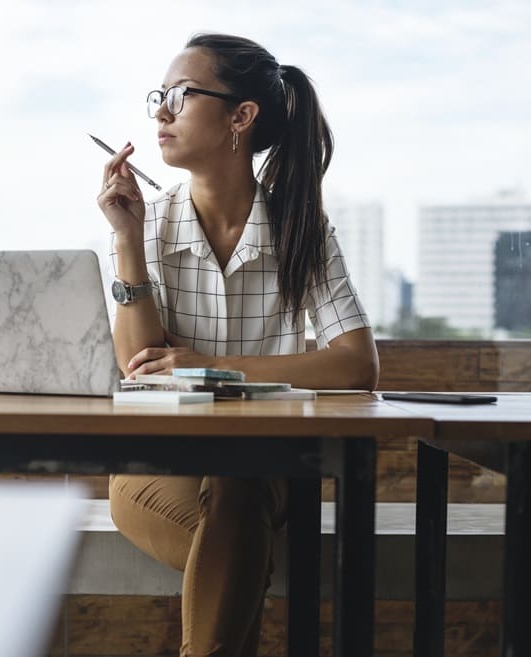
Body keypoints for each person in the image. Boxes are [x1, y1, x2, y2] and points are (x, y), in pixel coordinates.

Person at [96, 33, 380, 657]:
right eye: (159, 97)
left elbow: (358, 364)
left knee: (238, 488)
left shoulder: (300, 226)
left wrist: (210, 366)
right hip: (154, 464)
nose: (160, 113)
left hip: (265, 469)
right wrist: (124, 242)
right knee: (235, 545)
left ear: (241, 117)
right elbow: (137, 365)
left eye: (180, 94)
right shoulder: (145, 223)